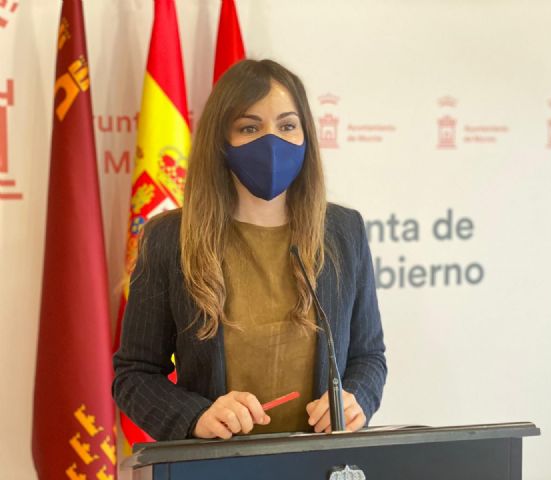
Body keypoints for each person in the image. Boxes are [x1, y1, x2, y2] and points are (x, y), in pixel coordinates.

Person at [112, 59, 387, 441]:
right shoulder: (170, 239)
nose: (271, 142)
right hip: (219, 462)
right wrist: (196, 417)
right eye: (250, 127)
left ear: (306, 136)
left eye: (287, 126)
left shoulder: (343, 231)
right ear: (221, 141)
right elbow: (135, 375)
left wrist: (357, 400)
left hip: (321, 461)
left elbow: (368, 357)